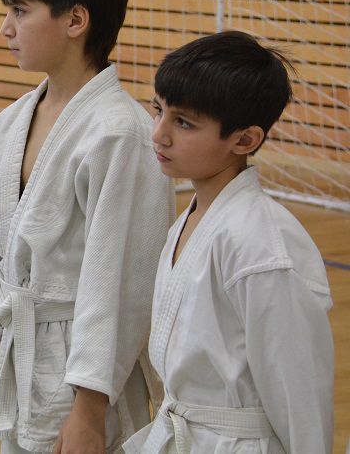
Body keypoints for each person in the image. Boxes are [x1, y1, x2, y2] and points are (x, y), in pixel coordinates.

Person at [0, 0, 175, 453]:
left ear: (75, 20)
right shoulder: (11, 121)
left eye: (21, 12)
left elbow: (120, 282)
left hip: (87, 375)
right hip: (19, 353)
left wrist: (90, 408)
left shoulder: (120, 133)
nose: (6, 28)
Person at [123, 30, 333, 453]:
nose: (159, 133)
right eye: (159, 110)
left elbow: (300, 396)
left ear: (244, 140)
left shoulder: (261, 245)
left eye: (184, 122)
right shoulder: (191, 218)